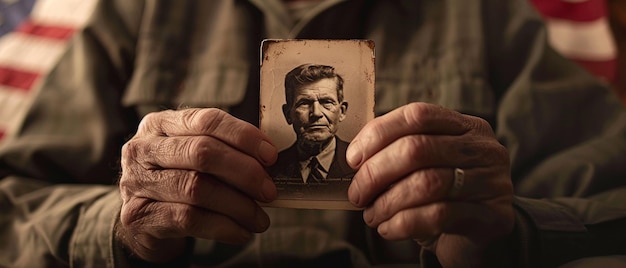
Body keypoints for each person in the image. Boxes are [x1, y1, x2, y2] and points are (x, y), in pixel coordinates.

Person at [0, 0, 626, 267]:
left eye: (329, 105)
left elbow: (611, 205)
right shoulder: (144, 8)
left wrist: (506, 235)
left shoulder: (481, 11)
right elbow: (13, 206)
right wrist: (119, 228)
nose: (317, 118)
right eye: (305, 107)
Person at [270, 63, 355, 183]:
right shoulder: (270, 169)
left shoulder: (361, 163)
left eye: (326, 102)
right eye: (304, 103)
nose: (316, 113)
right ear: (288, 114)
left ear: (342, 111)